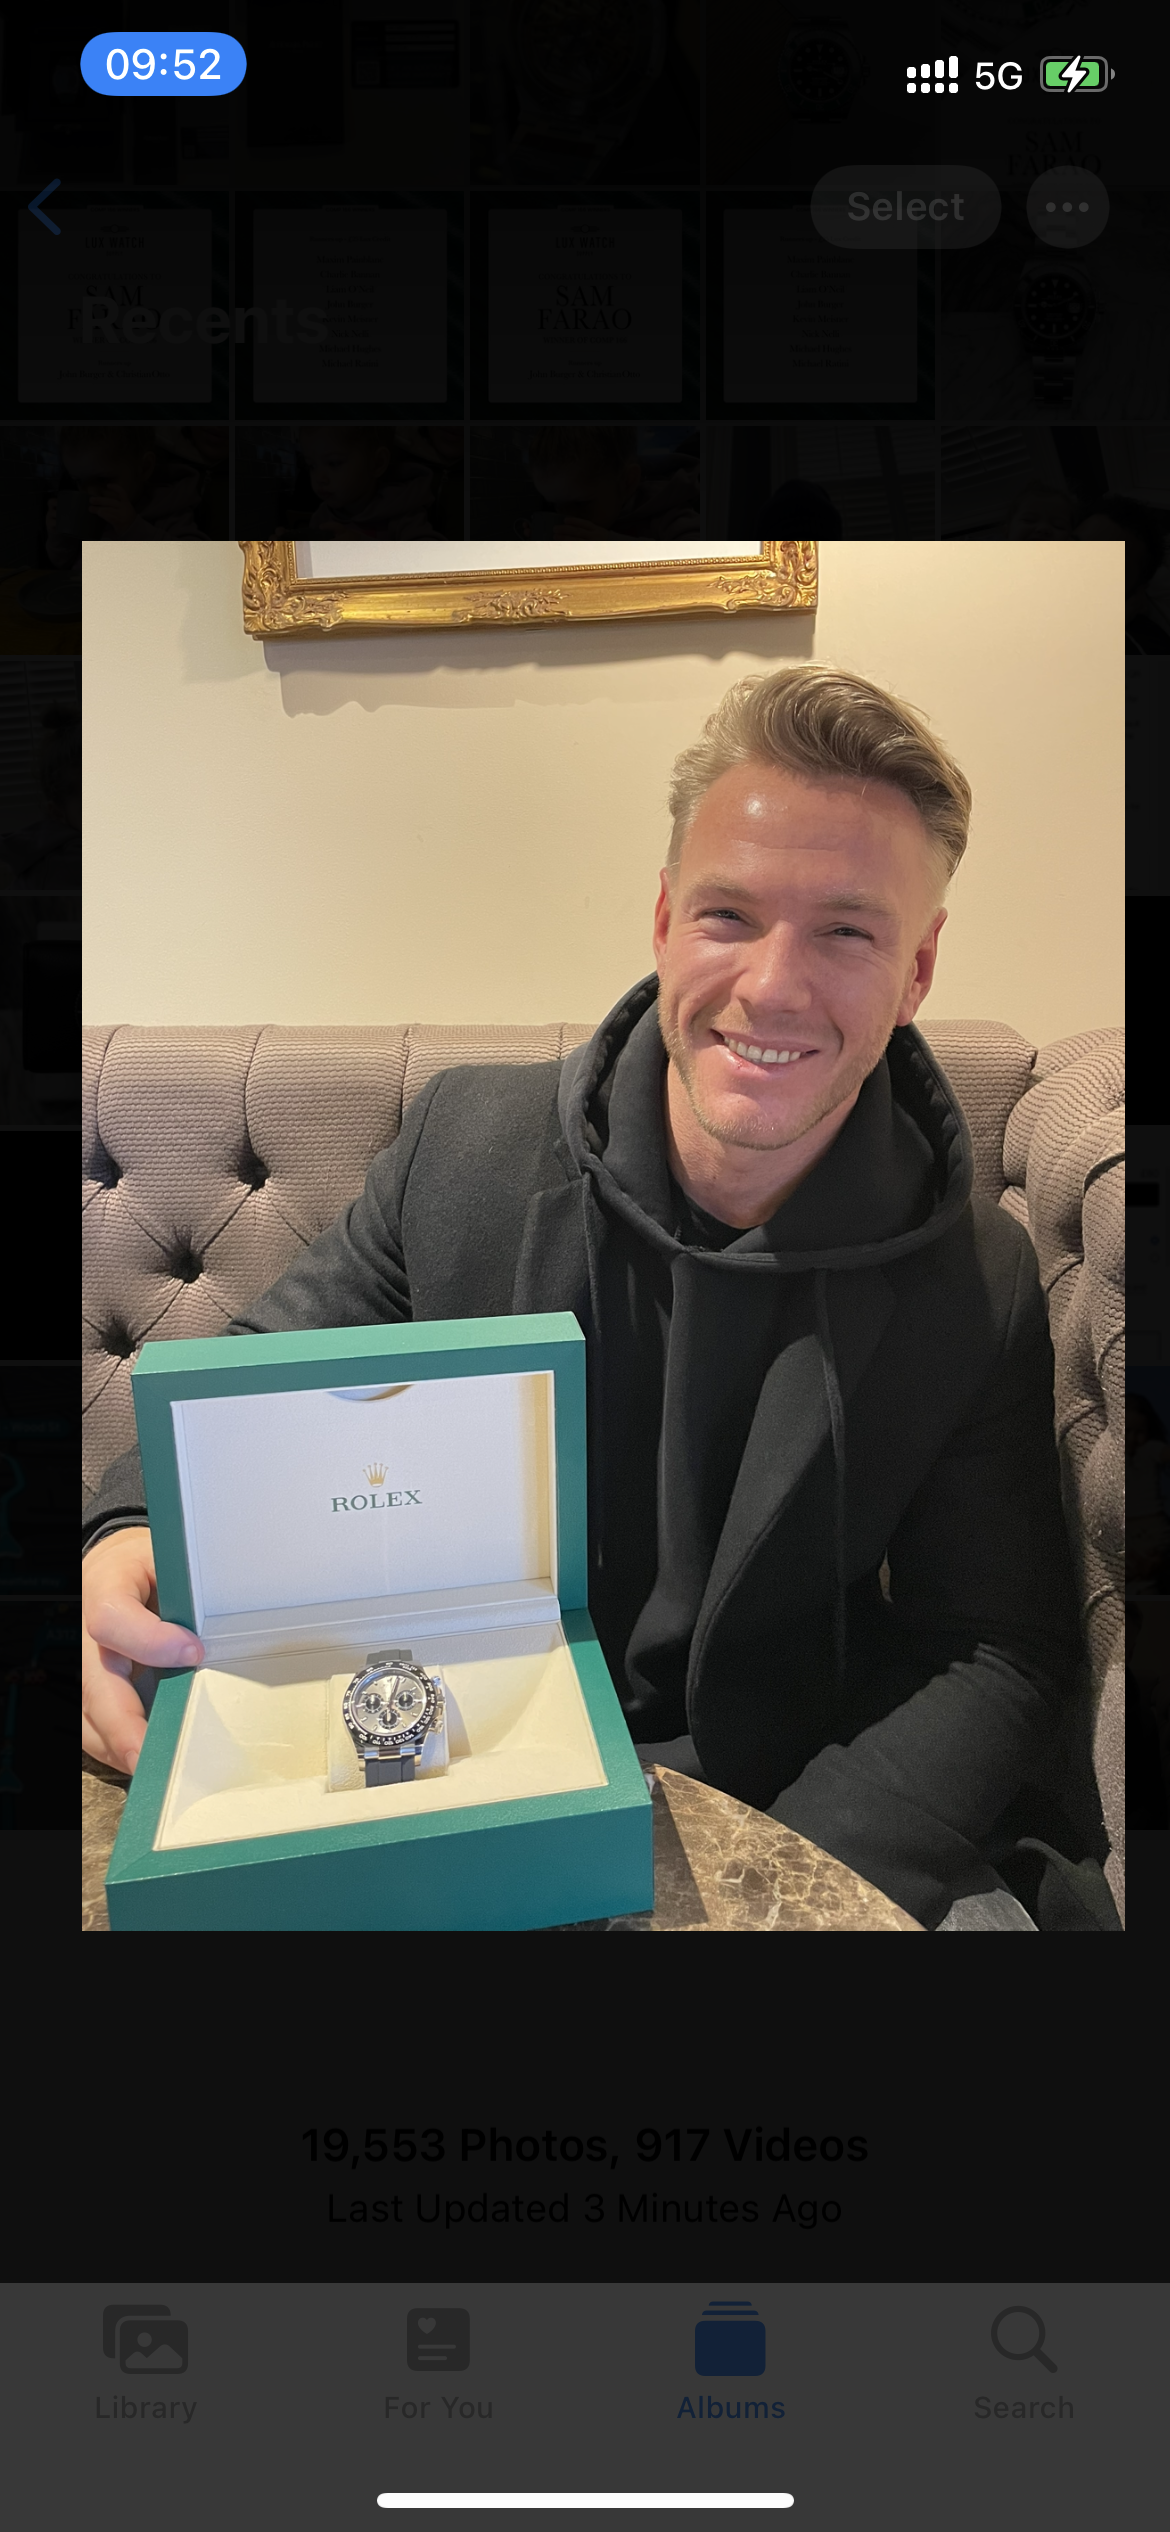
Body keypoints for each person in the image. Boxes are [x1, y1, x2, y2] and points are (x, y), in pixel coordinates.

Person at [81, 663, 1119, 1931]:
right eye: (730, 914)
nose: (774, 986)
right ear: (666, 918)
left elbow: (993, 1648)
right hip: (454, 1773)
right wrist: (125, 1529)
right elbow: (253, 1388)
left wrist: (766, 1893)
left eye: (848, 931)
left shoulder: (977, 1275)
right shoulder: (464, 1148)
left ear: (918, 969)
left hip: (782, 1799)